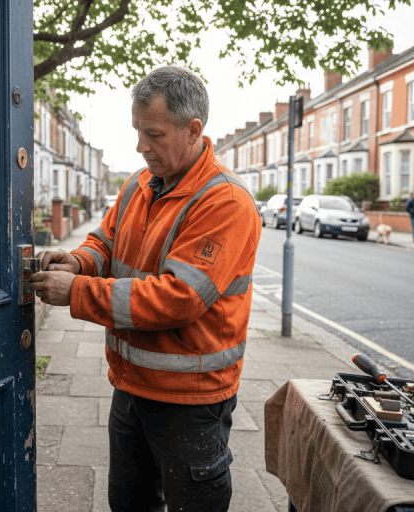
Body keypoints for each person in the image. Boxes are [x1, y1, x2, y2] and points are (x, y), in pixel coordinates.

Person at [30, 65, 262, 512]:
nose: (141, 146)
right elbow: (105, 242)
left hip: (190, 401)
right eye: (138, 131)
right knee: (128, 503)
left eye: (153, 134)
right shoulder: (138, 184)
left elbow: (178, 298)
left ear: (193, 130)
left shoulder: (226, 202)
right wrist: (78, 261)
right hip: (131, 386)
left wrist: (76, 291)